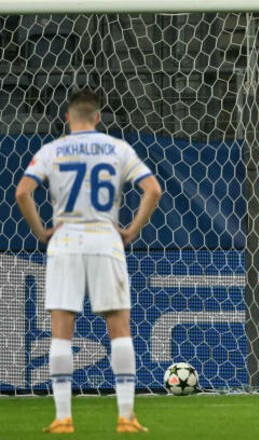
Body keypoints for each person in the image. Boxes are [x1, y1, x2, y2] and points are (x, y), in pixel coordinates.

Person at [15, 89, 162, 433]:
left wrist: (41, 230)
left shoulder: (52, 150)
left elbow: (22, 192)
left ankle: (63, 417)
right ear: (97, 117)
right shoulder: (117, 148)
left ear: (68, 117)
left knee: (61, 330)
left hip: (64, 242)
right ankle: (126, 416)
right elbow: (153, 189)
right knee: (119, 327)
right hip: (104, 239)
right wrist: (131, 230)